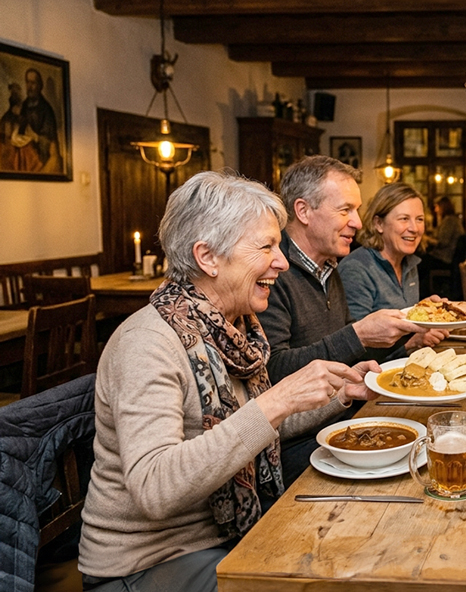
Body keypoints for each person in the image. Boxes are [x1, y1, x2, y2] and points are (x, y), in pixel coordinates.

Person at [78, 171, 379, 592]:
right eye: (266, 246)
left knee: (358, 550)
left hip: (224, 534)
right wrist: (276, 402)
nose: (283, 261)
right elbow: (155, 487)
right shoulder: (148, 343)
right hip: (149, 562)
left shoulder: (234, 330)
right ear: (208, 258)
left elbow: (254, 433)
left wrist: (341, 395)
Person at [256, 156, 440, 483]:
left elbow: (346, 356)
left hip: (343, 419)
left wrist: (400, 338)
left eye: (356, 210)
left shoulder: (330, 269)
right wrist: (358, 335)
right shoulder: (273, 274)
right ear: (303, 211)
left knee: (438, 437)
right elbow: (272, 372)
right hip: (296, 445)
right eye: (345, 210)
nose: (357, 222)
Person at [339, 183, 441, 335]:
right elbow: (355, 344)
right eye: (404, 219)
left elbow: (403, 320)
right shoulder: (356, 269)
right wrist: (409, 344)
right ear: (378, 224)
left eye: (419, 219)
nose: (414, 228)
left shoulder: (409, 262)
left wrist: (425, 309)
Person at [9, 68, 60, 173]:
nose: (29, 87)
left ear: (40, 86)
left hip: (39, 157)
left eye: (33, 83)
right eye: (27, 82)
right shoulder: (24, 106)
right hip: (23, 154)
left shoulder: (46, 110)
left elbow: (50, 143)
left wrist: (34, 136)